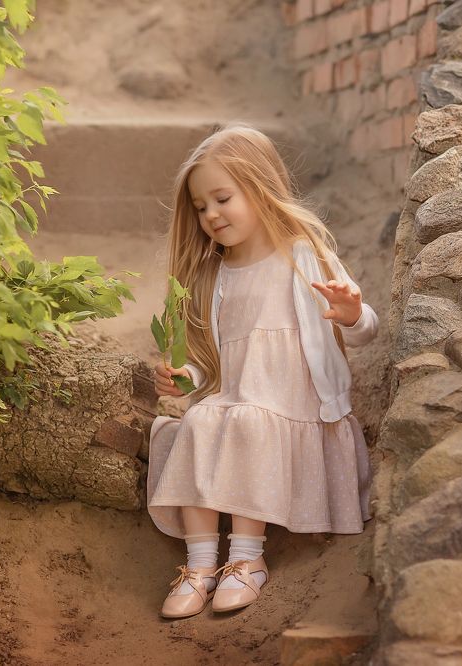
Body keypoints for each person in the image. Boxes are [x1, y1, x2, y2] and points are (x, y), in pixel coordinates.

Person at [148, 124, 379, 619]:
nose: (210, 214)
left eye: (222, 199)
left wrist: (351, 314)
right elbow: (214, 360)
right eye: (200, 206)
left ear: (259, 187)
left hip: (294, 403)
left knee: (249, 421)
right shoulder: (213, 275)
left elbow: (366, 331)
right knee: (199, 420)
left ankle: (247, 560)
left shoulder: (303, 256)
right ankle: (200, 565)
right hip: (238, 395)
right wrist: (188, 377)